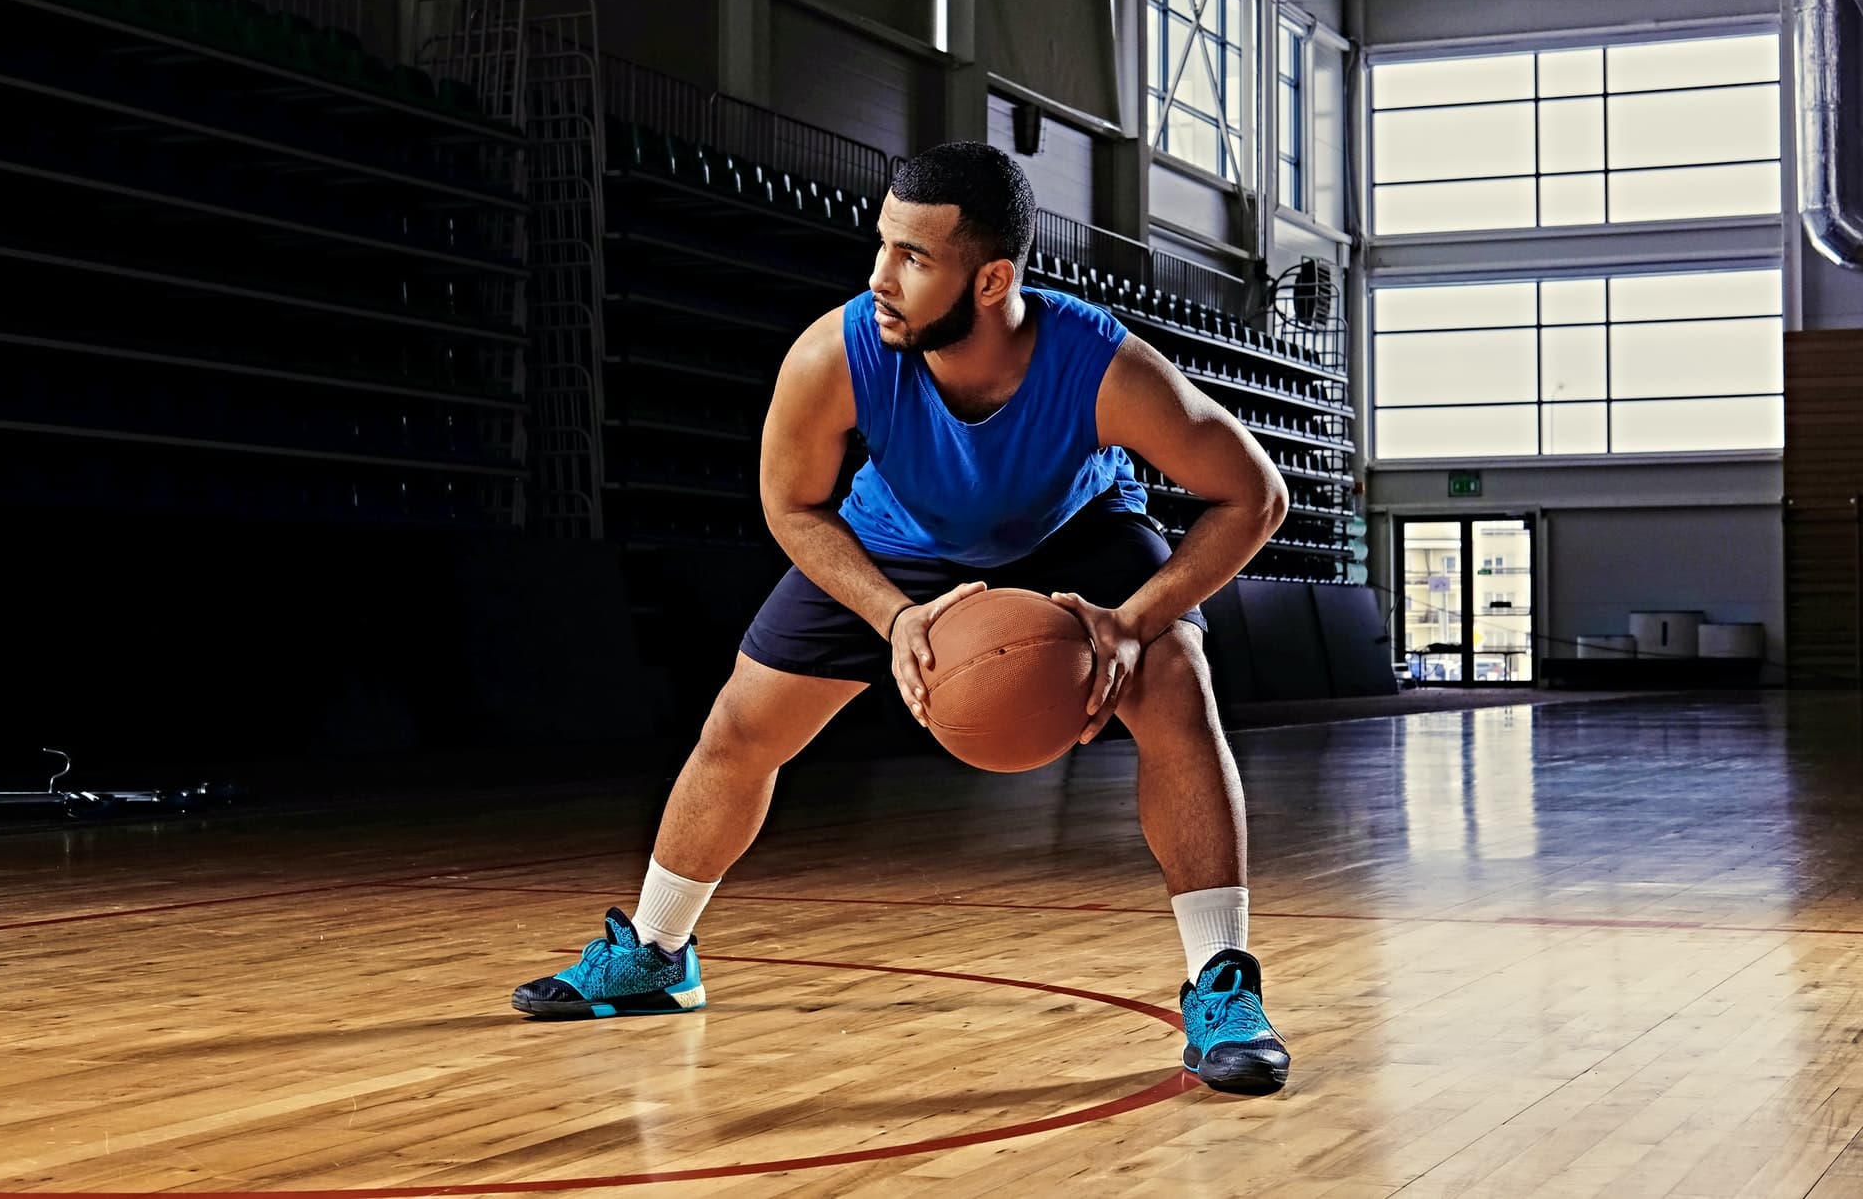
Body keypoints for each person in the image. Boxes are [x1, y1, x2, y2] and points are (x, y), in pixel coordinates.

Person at [511, 141, 1292, 1095]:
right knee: (740, 725)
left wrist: (1132, 620)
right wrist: (894, 616)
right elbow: (792, 506)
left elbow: (1255, 496)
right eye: (883, 245)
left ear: (993, 277)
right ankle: (657, 954)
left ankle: (1221, 984)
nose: (880, 276)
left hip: (1073, 531)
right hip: (898, 542)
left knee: (1178, 684)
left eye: (914, 257)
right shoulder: (834, 354)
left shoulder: (1102, 367)